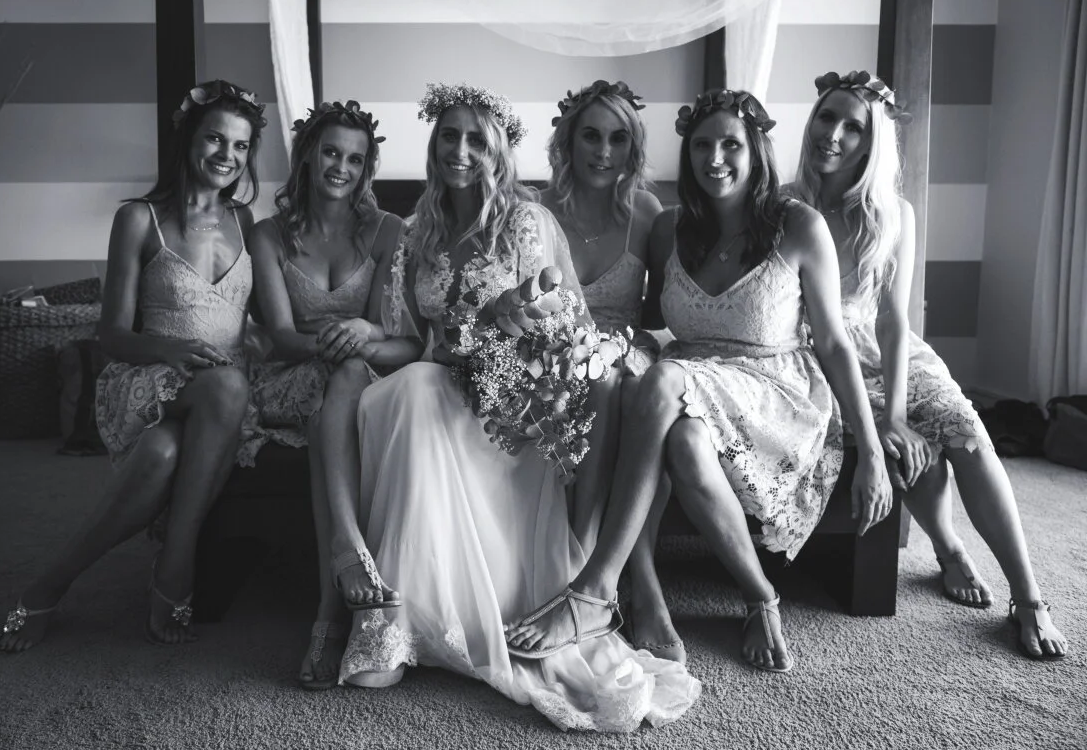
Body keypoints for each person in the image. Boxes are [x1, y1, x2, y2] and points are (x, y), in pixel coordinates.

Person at [338, 83, 699, 732]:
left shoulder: (525, 224)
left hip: (515, 402)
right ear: (434, 144)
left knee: (425, 390)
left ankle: (545, 594)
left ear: (499, 152)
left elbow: (559, 331)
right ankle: (395, 619)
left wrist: (497, 326)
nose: (461, 150)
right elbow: (410, 342)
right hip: (441, 385)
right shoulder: (416, 233)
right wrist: (367, 339)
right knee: (410, 389)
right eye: (450, 136)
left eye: (477, 140)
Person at [506, 89, 891, 674]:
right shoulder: (669, 229)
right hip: (693, 386)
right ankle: (758, 596)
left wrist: (874, 450)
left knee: (659, 380)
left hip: (772, 389)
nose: (715, 158)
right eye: (701, 145)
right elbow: (646, 314)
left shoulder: (798, 225)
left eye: (731, 145)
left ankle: (595, 589)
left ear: (756, 151)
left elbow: (835, 343)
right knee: (675, 427)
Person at [786, 70, 1067, 660]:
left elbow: (893, 321)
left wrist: (895, 411)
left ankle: (1029, 595)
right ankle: (947, 545)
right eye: (826, 118)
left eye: (853, 127)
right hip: (820, 358)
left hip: (892, 352)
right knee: (904, 450)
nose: (833, 134)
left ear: (873, 142)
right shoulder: (783, 206)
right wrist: (885, 424)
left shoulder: (895, 215)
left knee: (968, 435)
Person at [0, 80, 265, 652]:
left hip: (224, 393)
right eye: (215, 139)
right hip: (151, 377)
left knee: (165, 451)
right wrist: (168, 350)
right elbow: (110, 336)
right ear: (188, 138)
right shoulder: (139, 218)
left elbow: (258, 319)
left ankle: (46, 587)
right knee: (225, 387)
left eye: (240, 146)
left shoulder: (246, 221)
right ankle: (176, 565)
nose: (227, 156)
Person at [238, 100, 410, 689]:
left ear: (367, 169)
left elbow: (390, 329)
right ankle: (335, 601)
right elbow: (282, 338)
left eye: (355, 159)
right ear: (308, 156)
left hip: (361, 377)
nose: (341, 167)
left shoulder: (389, 231)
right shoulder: (268, 235)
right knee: (343, 378)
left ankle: (331, 605)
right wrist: (346, 342)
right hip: (291, 377)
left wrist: (364, 331)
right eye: (331, 153)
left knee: (343, 390)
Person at [540, 80, 664, 559]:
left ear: (633, 147)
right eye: (591, 136)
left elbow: (661, 308)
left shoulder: (646, 213)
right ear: (568, 140)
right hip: (550, 353)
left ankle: (584, 543)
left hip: (622, 351)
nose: (604, 151)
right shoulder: (536, 209)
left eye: (618, 138)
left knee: (610, 376)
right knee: (588, 377)